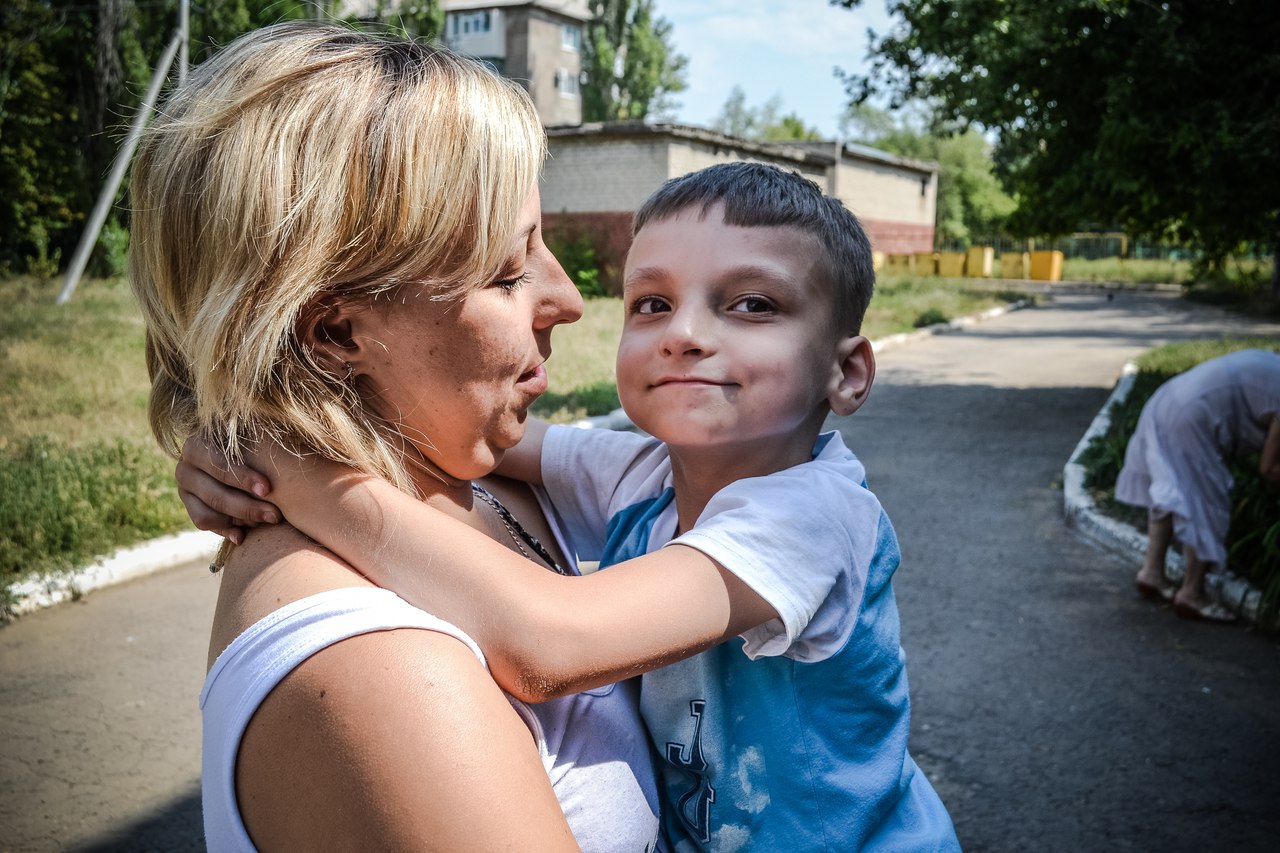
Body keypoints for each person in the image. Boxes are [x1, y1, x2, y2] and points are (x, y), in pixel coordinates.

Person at [182, 163, 960, 850]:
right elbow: (457, 428)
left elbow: (549, 642)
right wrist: (251, 427)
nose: (684, 334)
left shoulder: (813, 515)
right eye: (651, 303)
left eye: (752, 303)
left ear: (847, 373)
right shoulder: (643, 473)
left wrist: (299, 477)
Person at [130, 22, 671, 851]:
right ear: (335, 334)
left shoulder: (486, 474)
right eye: (507, 272)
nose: (567, 300)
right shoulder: (379, 667)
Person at [1117, 348, 1280, 622]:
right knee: (1203, 498)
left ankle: (1152, 573)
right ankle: (1192, 593)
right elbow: (1270, 468)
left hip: (1167, 399)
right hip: (1192, 416)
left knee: (1170, 491)